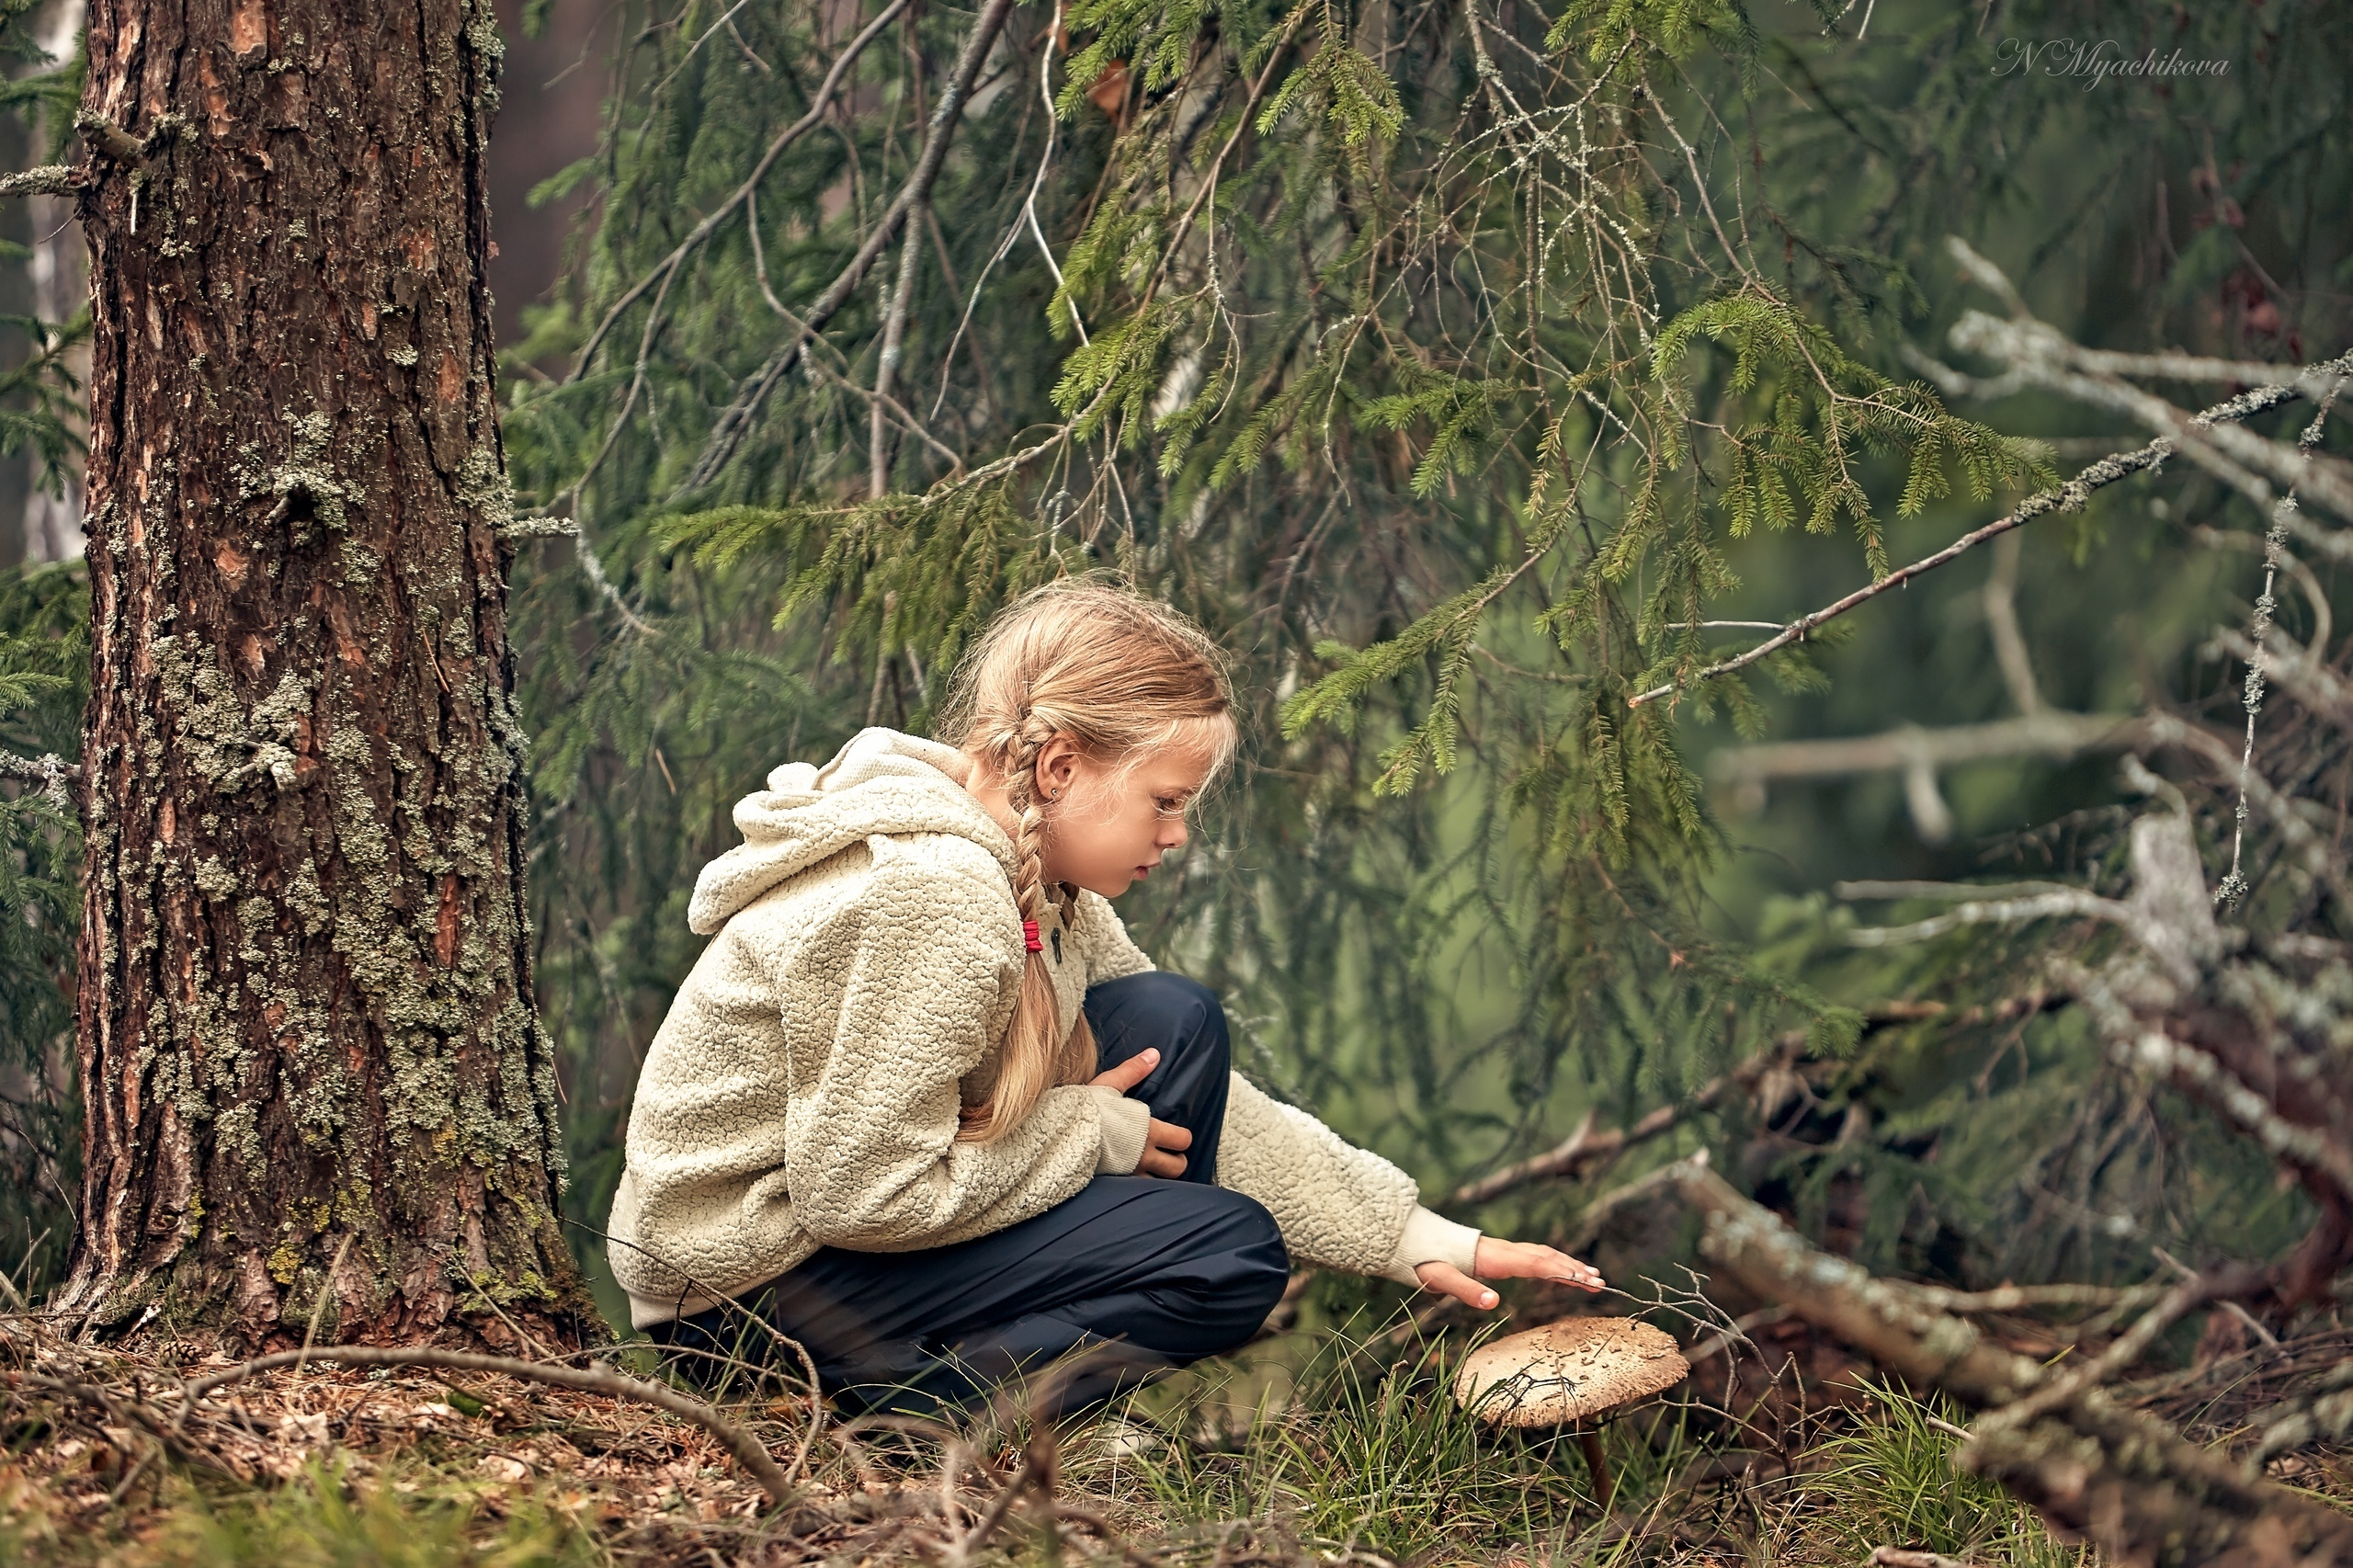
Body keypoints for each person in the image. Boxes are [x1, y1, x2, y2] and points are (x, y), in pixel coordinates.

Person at [607, 580, 1605, 1418]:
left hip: (833, 1256)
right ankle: (916, 1418)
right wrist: (1085, 1133)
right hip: (743, 1305)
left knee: (1173, 1024)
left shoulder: (1038, 877)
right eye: (1165, 800)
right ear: (1058, 764)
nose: (1176, 836)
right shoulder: (937, 893)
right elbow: (862, 1193)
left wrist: (1416, 1237)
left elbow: (1201, 1091)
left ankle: (984, 1394)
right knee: (1229, 1255)